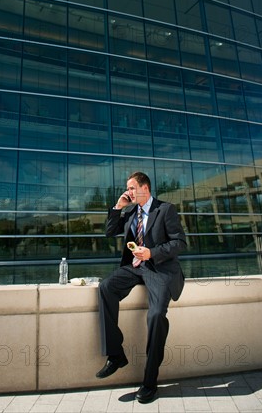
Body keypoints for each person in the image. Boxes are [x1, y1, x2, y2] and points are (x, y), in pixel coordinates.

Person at [96, 171, 187, 404]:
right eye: (128, 188)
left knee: (156, 315)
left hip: (159, 269)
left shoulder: (165, 209)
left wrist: (152, 253)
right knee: (106, 287)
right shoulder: (130, 213)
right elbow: (109, 232)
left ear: (145, 187)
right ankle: (116, 355)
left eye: (132, 187)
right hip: (135, 268)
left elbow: (179, 242)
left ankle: (150, 381)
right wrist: (118, 206)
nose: (129, 191)